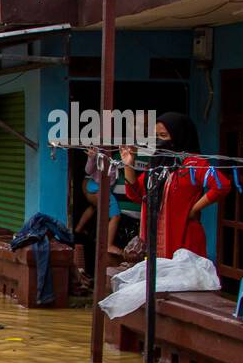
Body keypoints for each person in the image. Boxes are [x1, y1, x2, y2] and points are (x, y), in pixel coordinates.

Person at [120, 112, 230, 261]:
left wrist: (194, 210)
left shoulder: (194, 163)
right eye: (156, 136)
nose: (158, 141)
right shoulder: (156, 165)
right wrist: (128, 165)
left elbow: (222, 185)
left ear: (179, 136)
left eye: (163, 136)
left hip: (185, 240)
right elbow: (135, 195)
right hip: (157, 240)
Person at [75, 146, 123, 256]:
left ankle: (78, 229)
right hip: (98, 186)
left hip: (99, 186)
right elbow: (88, 170)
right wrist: (91, 158)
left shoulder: (114, 157)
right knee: (115, 215)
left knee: (93, 207)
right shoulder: (100, 155)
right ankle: (108, 244)